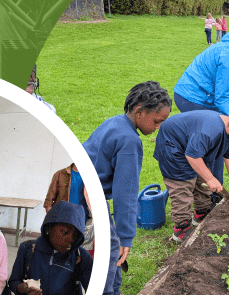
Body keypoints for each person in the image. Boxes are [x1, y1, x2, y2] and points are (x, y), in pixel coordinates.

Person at [83, 81, 171, 295]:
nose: (158, 127)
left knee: (110, 251)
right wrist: (126, 236)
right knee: (111, 252)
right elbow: (126, 194)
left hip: (81, 189)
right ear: (140, 112)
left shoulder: (114, 122)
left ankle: (114, 289)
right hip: (90, 198)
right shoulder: (130, 141)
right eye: (157, 121)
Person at [153, 109, 229, 241]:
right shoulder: (210, 131)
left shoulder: (228, 131)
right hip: (173, 147)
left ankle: (201, 213)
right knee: (182, 187)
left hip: (192, 148)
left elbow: (228, 154)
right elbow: (192, 156)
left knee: (202, 180)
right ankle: (181, 229)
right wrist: (211, 179)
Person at [8, 200, 93, 295]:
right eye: (64, 231)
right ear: (48, 228)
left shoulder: (81, 258)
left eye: (75, 235)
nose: (70, 239)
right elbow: (13, 281)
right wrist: (21, 288)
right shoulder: (27, 249)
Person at [44, 163, 93, 252]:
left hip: (84, 224)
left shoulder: (93, 176)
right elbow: (48, 203)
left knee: (81, 255)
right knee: (58, 253)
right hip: (63, 224)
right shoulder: (60, 174)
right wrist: (53, 224)